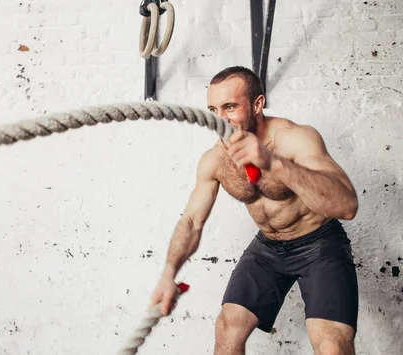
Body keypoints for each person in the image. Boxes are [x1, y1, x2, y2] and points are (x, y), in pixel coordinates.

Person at [148, 66, 359, 355]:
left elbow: (346, 206)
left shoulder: (294, 138)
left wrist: (272, 162)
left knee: (331, 342)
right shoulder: (214, 159)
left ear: (258, 104)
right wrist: (168, 273)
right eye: (213, 109)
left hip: (319, 245)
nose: (219, 118)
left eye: (230, 107)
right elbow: (192, 221)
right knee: (227, 327)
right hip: (267, 250)